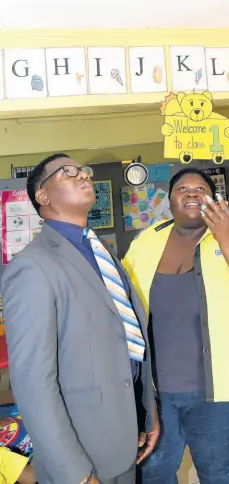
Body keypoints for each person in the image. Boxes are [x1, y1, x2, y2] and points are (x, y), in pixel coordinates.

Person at [1, 154, 158, 484]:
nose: (84, 175)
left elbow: (125, 341)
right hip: (82, 453)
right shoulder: (32, 268)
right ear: (43, 196)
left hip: (126, 433)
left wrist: (147, 414)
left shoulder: (100, 252)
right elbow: (32, 385)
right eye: (68, 172)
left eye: (83, 171)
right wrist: (74, 473)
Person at [123, 167, 229, 484]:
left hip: (221, 391)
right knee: (153, 472)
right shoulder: (145, 243)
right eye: (182, 189)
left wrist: (227, 237)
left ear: (214, 199)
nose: (191, 192)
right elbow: (123, 305)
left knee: (218, 472)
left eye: (200, 188)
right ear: (169, 201)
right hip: (156, 392)